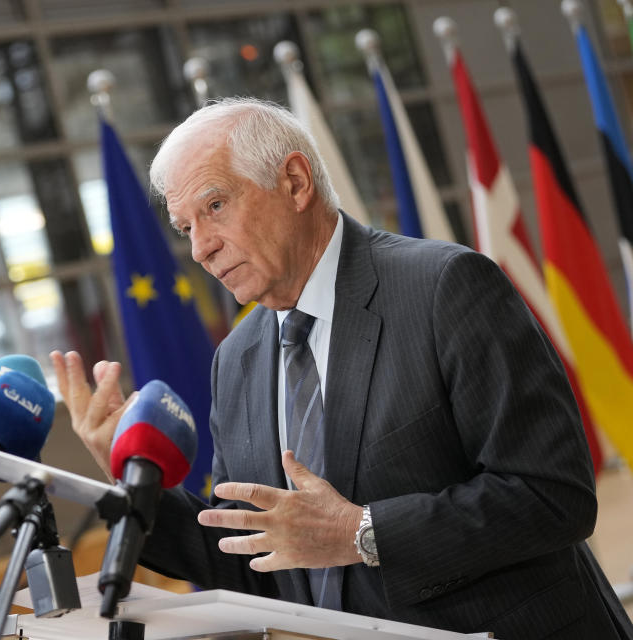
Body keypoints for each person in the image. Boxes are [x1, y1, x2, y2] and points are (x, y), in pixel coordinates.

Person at [50, 97, 633, 639]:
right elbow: (254, 560)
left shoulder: (444, 288)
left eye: (216, 206)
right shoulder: (235, 359)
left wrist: (362, 533)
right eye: (186, 228)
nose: (200, 247)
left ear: (295, 182)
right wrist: (131, 477)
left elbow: (554, 496)